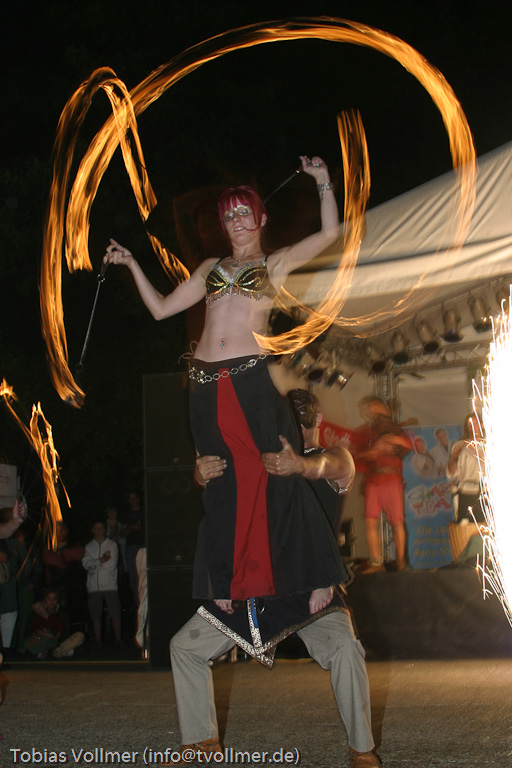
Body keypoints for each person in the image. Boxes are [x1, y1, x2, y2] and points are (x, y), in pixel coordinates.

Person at [106, 159, 379, 766]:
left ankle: (310, 576)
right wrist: (130, 266)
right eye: (226, 213)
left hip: (251, 380)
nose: (233, 220)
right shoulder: (209, 269)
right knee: (220, 480)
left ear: (259, 218)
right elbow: (161, 310)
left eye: (242, 212)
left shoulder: (271, 265)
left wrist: (322, 181)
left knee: (278, 470)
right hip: (204, 386)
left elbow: (330, 233)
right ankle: (230, 586)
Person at [187, 388, 379, 768]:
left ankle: (362, 750)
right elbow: (226, 502)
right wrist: (199, 474)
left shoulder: (331, 457)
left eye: (302, 422)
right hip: (261, 588)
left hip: (314, 587)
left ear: (317, 421)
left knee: (345, 648)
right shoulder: (268, 460)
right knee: (184, 647)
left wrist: (300, 465)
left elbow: (333, 466)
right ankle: (200, 743)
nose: (296, 430)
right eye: (289, 422)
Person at [354, 396, 412, 573]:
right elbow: (355, 456)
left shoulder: (394, 428)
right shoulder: (365, 432)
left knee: (396, 521)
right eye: (366, 408)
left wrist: (395, 441)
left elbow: (409, 444)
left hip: (391, 478)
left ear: (380, 406)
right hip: (373, 479)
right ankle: (377, 563)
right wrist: (372, 452)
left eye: (371, 406)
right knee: (370, 521)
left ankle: (401, 562)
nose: (369, 411)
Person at [82, 521, 122, 647]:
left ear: (105, 530)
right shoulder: (89, 547)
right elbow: (85, 564)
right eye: (96, 528)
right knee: (95, 615)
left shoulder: (112, 545)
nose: (99, 530)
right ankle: (98, 640)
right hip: (94, 586)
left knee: (115, 613)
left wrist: (95, 564)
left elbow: (112, 564)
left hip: (110, 585)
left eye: (101, 528)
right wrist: (101, 560)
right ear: (93, 530)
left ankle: (118, 639)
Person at [25, 588, 85, 659]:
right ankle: (50, 652)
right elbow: (30, 628)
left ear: (58, 600)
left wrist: (52, 634)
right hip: (40, 639)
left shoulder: (63, 614)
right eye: (49, 598)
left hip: (56, 641)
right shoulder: (38, 611)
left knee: (80, 636)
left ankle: (56, 651)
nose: (51, 601)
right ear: (44, 600)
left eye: (54, 598)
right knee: (29, 642)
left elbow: (64, 632)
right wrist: (35, 635)